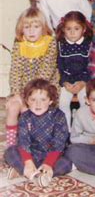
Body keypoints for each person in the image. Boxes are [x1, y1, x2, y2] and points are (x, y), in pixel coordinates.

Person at [6, 8, 60, 147]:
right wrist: (17, 93)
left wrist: (29, 97)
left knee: (30, 110)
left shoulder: (50, 42)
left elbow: (45, 72)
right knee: (13, 107)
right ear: (21, 28)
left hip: (44, 88)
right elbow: (16, 70)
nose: (31, 31)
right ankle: (11, 145)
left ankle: (37, 142)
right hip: (23, 89)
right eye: (27, 27)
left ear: (43, 28)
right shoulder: (19, 43)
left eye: (36, 27)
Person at [4, 79, 72, 187]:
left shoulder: (59, 116)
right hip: (32, 154)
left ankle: (33, 172)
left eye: (43, 99)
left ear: (50, 101)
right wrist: (28, 161)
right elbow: (23, 141)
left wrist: (48, 163)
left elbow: (59, 143)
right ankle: (31, 173)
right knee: (10, 152)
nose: (38, 104)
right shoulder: (25, 117)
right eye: (33, 99)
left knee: (67, 163)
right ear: (27, 101)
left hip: (52, 155)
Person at [56, 11, 93, 130]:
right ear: (63, 30)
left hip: (83, 81)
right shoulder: (61, 45)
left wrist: (83, 82)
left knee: (85, 102)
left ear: (83, 29)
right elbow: (59, 67)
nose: (72, 32)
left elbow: (91, 67)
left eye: (76, 28)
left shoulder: (89, 45)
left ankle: (81, 129)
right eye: (68, 29)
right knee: (63, 102)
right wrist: (65, 82)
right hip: (67, 81)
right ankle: (66, 130)